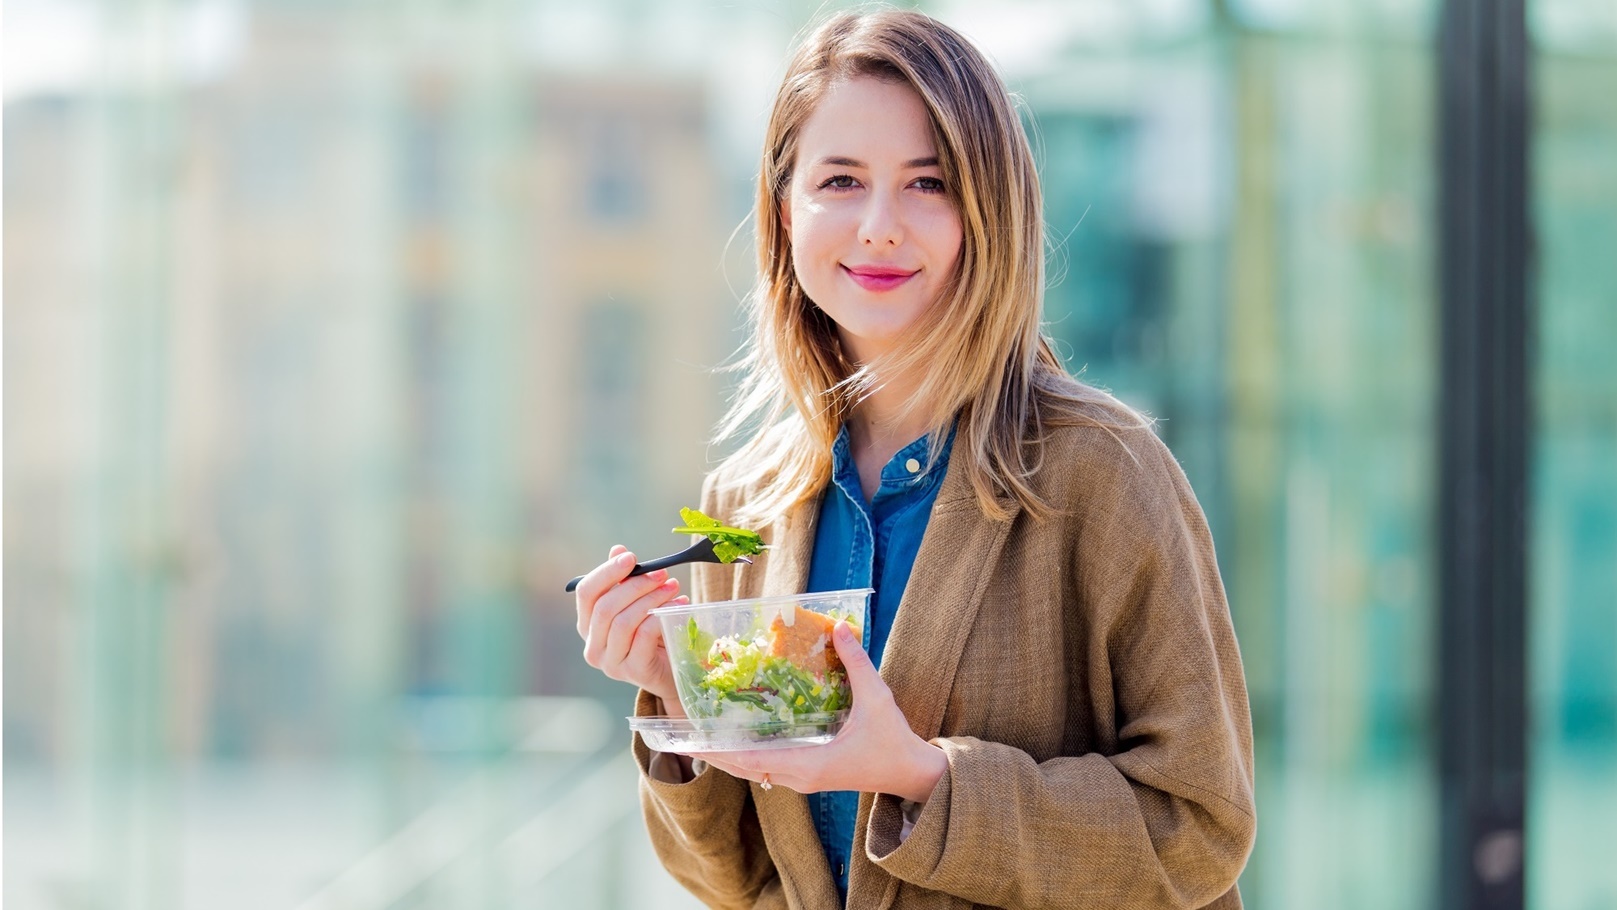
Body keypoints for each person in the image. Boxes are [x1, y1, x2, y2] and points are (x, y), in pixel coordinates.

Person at [571, 9, 1255, 909]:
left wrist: (926, 779)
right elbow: (735, 880)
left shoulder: (1101, 472)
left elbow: (1200, 829)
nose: (880, 227)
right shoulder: (746, 503)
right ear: (786, 210)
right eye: (841, 181)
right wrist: (676, 697)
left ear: (988, 211)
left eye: (927, 183)